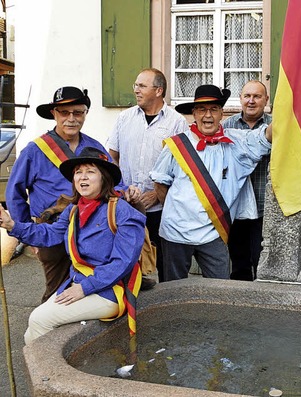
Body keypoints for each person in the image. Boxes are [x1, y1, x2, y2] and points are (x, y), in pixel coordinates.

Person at [0, 147, 146, 345]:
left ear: (104, 178)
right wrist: (12, 225)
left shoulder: (123, 212)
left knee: (39, 320)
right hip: (77, 284)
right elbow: (49, 234)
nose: (82, 177)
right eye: (78, 172)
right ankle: (46, 373)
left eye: (90, 171)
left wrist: (84, 288)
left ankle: (46, 374)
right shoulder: (75, 209)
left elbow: (122, 263)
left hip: (110, 291)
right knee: (33, 330)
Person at [6, 87, 126, 303]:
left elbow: (116, 182)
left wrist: (128, 192)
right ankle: (47, 334)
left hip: (91, 229)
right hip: (52, 228)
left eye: (78, 113)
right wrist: (27, 235)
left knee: (92, 287)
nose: (71, 119)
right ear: (54, 113)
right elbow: (14, 194)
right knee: (56, 291)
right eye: (65, 113)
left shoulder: (94, 146)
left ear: (85, 114)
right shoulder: (35, 150)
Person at [151, 84, 272, 282]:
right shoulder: (177, 145)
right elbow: (160, 184)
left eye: (213, 109)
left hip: (213, 233)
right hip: (176, 232)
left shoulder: (237, 143)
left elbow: (266, 136)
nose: (208, 115)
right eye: (202, 109)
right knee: (173, 292)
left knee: (220, 289)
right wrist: (179, 212)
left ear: (221, 114)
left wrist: (290, 103)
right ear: (194, 114)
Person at [108, 68, 189, 286]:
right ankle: (132, 308)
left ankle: (167, 307)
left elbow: (182, 168)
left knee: (166, 262)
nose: (136, 90)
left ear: (159, 90)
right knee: (128, 261)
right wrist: (122, 188)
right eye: (136, 85)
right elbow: (112, 157)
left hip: (162, 207)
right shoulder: (124, 118)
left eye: (142, 86)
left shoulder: (176, 122)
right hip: (127, 205)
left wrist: (157, 193)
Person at [221, 80, 272, 281]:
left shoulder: (275, 126)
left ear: (266, 100)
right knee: (239, 262)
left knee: (263, 262)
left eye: (257, 96)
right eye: (247, 96)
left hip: (264, 205)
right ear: (240, 99)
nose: (251, 101)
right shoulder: (227, 126)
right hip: (235, 206)